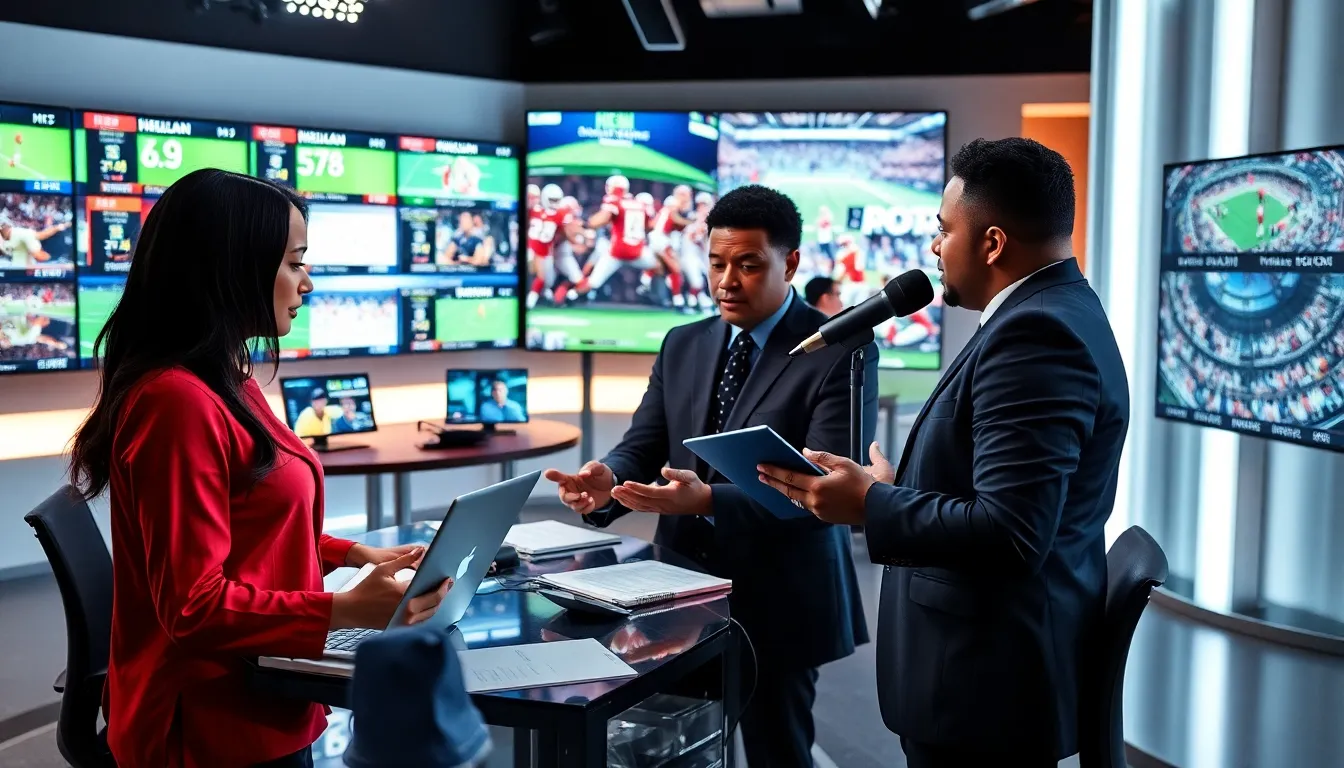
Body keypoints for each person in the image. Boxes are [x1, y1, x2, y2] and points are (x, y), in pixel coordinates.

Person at [756, 138, 1129, 767]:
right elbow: (1007, 491)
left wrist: (872, 504)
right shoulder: (1056, 311)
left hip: (983, 687)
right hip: (990, 675)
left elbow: (1012, 532)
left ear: (992, 242)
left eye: (943, 229)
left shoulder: (1037, 335)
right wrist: (899, 486)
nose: (934, 248)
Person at [67, 168, 453, 768]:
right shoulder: (176, 401)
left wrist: (356, 557)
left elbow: (252, 518)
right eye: (295, 263)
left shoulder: (225, 379)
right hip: (207, 730)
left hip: (257, 700)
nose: (308, 282)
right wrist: (350, 610)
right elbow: (193, 606)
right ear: (232, 267)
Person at [544, 184, 876, 768]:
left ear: (790, 262)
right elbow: (643, 445)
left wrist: (708, 502)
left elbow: (826, 489)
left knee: (779, 752)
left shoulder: (839, 349)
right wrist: (606, 481)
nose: (726, 281)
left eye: (748, 266)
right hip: (678, 592)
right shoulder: (683, 342)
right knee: (674, 751)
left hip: (782, 599)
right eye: (717, 263)